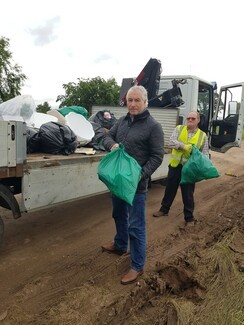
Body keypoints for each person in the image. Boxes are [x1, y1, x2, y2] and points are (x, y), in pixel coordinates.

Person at [101, 85, 164, 285]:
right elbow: (107, 136)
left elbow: (157, 156)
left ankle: (137, 265)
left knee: (136, 226)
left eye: (137, 100)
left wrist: (140, 176)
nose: (133, 104)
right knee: (118, 214)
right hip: (118, 182)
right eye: (130, 100)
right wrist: (112, 145)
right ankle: (120, 245)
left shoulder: (153, 127)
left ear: (145, 102)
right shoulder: (123, 121)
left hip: (136, 186)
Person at [153, 111, 209, 224]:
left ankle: (189, 217)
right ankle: (164, 209)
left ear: (198, 120)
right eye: (188, 118)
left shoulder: (203, 136)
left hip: (190, 169)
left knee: (188, 193)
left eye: (193, 118)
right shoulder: (179, 129)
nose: (190, 120)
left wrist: (201, 165)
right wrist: (183, 146)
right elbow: (171, 142)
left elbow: (205, 154)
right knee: (170, 189)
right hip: (175, 166)